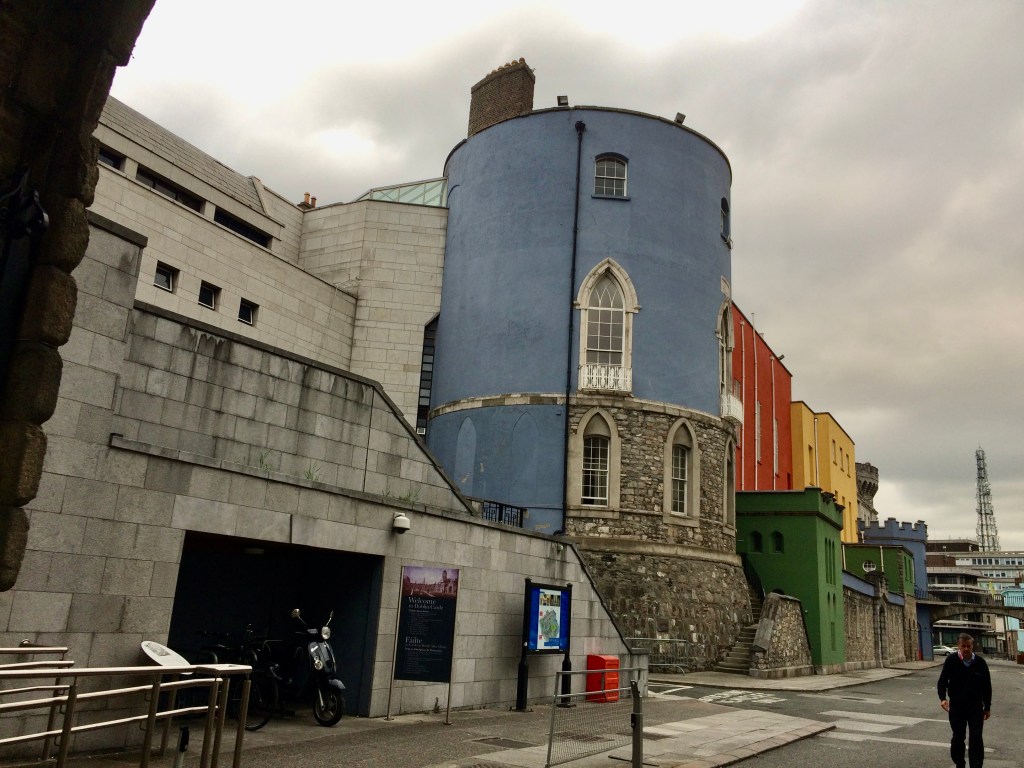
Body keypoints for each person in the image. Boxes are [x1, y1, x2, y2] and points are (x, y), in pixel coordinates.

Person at [937, 633, 992, 768]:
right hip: (957, 707)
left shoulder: (980, 663)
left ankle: (976, 765)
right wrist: (943, 698)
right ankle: (959, 763)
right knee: (958, 737)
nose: (966, 649)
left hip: (975, 707)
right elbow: (942, 681)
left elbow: (987, 686)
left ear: (972, 646)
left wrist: (987, 707)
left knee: (976, 738)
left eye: (968, 646)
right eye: (963, 646)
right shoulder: (951, 660)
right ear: (959, 646)